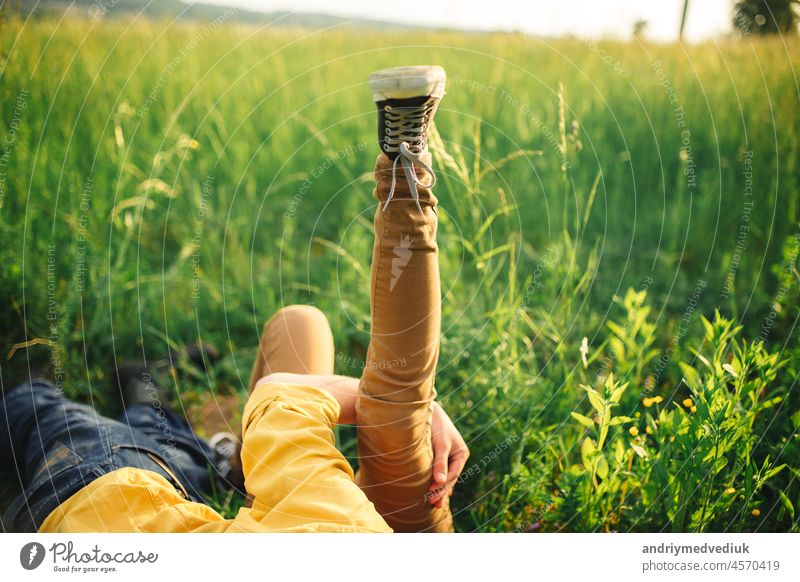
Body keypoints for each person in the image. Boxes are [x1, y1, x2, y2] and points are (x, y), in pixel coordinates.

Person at [0, 65, 467, 533]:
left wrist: (407, 409)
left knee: (50, 411)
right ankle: (176, 415)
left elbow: (288, 395)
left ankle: (113, 394)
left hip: (107, 495)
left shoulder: (337, 526)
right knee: (292, 337)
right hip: (183, 490)